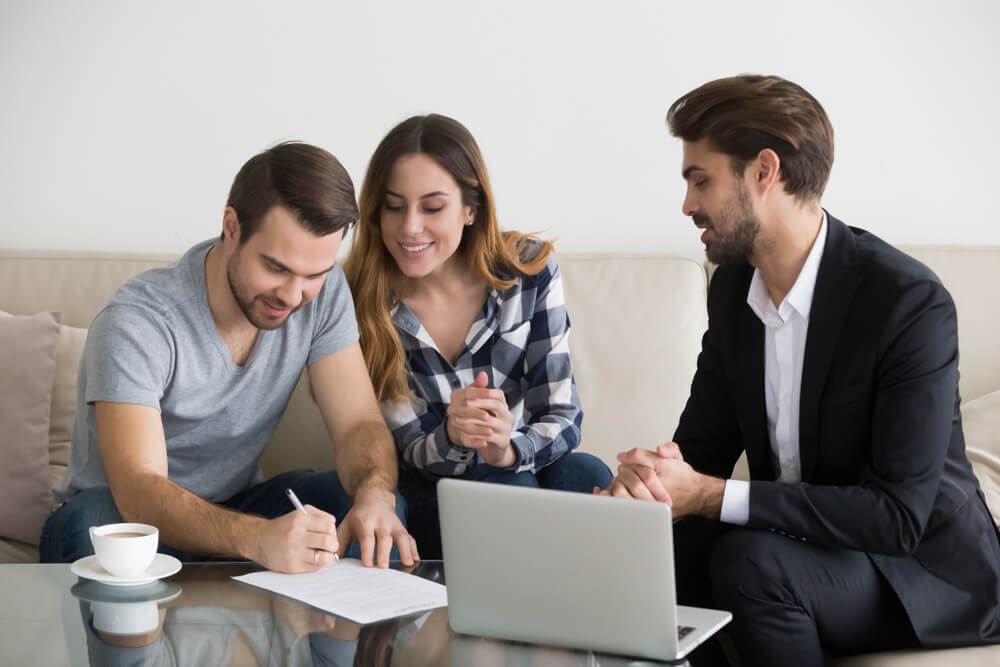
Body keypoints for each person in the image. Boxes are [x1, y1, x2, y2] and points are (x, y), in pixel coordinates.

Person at [603, 75, 1000, 665]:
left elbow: (895, 519)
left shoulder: (906, 302)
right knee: (655, 551)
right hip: (803, 545)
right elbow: (702, 448)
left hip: (919, 571)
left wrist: (710, 496)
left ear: (765, 171)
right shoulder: (736, 287)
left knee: (751, 561)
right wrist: (647, 489)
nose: (687, 204)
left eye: (700, 179)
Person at [40, 142, 418, 573]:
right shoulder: (138, 321)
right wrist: (258, 539)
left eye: (313, 274)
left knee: (369, 510)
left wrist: (375, 495)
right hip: (126, 519)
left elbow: (358, 424)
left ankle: (354, 637)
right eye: (276, 268)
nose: (294, 296)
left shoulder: (325, 294)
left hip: (239, 505)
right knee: (90, 526)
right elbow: (139, 490)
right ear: (231, 226)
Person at [343, 114, 612, 558]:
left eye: (432, 207)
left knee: (585, 473)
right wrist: (456, 433)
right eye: (394, 206)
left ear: (471, 209)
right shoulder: (361, 299)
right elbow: (409, 448)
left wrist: (505, 447)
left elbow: (562, 415)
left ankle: (594, 619)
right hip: (432, 491)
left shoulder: (528, 270)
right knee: (507, 486)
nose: (410, 227)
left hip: (519, 464)